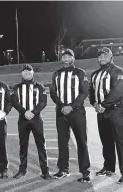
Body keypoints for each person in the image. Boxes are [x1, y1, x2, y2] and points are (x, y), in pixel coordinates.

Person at [89, 47, 123, 184]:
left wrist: (104, 104)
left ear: (111, 57)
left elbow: (117, 91)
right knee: (106, 141)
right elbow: (92, 92)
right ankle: (109, 167)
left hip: (116, 109)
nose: (102, 58)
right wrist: (95, 104)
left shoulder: (118, 71)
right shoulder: (95, 74)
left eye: (105, 56)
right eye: (100, 56)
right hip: (102, 112)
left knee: (122, 142)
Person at [50, 49, 91, 183]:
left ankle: (85, 172)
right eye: (64, 57)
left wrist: (71, 106)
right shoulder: (57, 74)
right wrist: (62, 106)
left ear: (73, 58)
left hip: (76, 112)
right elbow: (53, 93)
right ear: (62, 59)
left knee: (81, 142)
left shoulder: (80, 73)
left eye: (69, 56)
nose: (66, 59)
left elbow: (84, 92)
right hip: (61, 112)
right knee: (62, 142)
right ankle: (63, 170)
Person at [12, 64, 52, 180]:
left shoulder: (39, 86)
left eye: (29, 71)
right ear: (21, 73)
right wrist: (24, 112)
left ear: (32, 73)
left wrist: (33, 112)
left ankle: (45, 171)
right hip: (23, 119)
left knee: (41, 145)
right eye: (24, 71)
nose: (26, 73)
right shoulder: (17, 87)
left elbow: (43, 102)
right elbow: (15, 101)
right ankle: (22, 170)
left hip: (36, 119)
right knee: (23, 145)